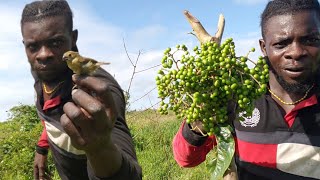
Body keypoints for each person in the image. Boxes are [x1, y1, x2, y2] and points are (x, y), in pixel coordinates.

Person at [172, 0, 320, 179]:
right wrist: (201, 117)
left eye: (311, 40)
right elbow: (185, 159)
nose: (296, 52)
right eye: (282, 43)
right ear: (264, 48)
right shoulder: (238, 96)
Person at [20, 0, 142, 179]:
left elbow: (128, 169)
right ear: (25, 45)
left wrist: (101, 149)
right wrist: (41, 149)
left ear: (73, 38)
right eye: (33, 46)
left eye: (56, 42)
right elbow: (48, 113)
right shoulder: (42, 74)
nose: (43, 55)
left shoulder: (98, 89)